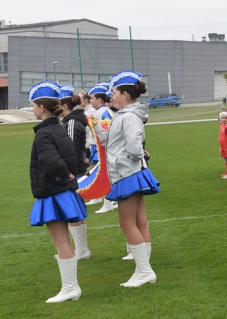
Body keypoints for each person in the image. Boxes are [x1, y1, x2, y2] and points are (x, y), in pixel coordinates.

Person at [27, 81, 86, 303]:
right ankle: (70, 287)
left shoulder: (43, 133)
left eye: (34, 106)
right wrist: (68, 174)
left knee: (61, 241)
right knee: (64, 241)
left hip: (53, 192)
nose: (32, 110)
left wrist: (64, 174)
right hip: (62, 191)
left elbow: (52, 162)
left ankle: (70, 288)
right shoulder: (59, 127)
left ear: (42, 108)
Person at [105, 70, 160, 288]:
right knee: (138, 221)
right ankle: (143, 268)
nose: (112, 97)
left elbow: (134, 145)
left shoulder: (128, 116)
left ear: (125, 95)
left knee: (127, 223)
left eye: (115, 93)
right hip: (131, 172)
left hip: (127, 173)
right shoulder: (127, 115)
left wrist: (137, 154)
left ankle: (144, 271)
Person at [58, 85, 92, 261]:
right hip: (76, 169)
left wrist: (67, 171)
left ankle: (81, 250)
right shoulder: (71, 120)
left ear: (64, 105)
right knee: (76, 211)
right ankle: (82, 249)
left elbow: (70, 149)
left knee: (73, 212)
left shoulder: (71, 122)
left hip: (74, 172)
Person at [87, 83, 116, 213]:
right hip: (98, 146)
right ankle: (102, 198)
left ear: (99, 99)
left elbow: (107, 132)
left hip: (103, 147)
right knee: (101, 173)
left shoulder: (104, 112)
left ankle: (109, 201)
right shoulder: (100, 111)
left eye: (92, 98)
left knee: (106, 174)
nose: (90, 101)